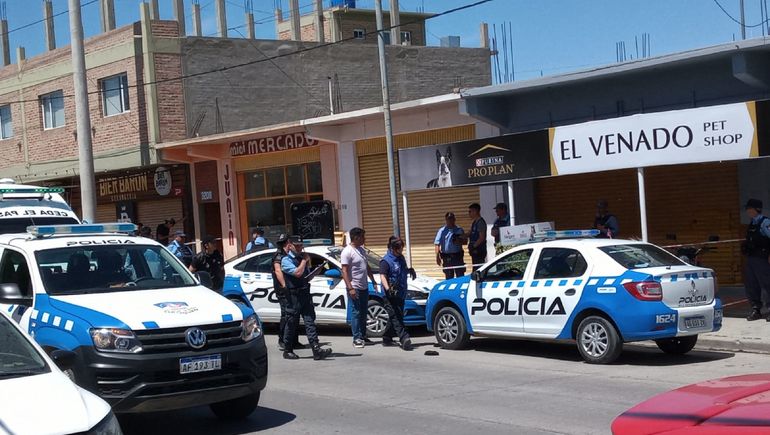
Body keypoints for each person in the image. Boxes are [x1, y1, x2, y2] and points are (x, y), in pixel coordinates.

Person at [280, 236, 332, 360]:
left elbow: (305, 277)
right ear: (290, 245)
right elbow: (297, 273)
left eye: (300, 246)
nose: (299, 248)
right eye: (296, 246)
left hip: (305, 293)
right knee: (291, 322)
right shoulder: (286, 260)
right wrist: (304, 260)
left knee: (310, 321)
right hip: (294, 296)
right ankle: (287, 350)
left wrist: (316, 270)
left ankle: (316, 349)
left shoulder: (301, 258)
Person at [341, 227, 377, 348]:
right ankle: (356, 338)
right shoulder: (347, 251)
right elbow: (344, 271)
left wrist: (373, 280)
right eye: (362, 237)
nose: (364, 239)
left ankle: (362, 335)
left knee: (363, 312)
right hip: (354, 287)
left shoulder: (361, 250)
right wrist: (350, 287)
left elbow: (366, 267)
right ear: (356, 238)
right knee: (356, 312)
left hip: (364, 287)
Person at [380, 236, 416, 350]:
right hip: (389, 295)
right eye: (399, 248)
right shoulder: (385, 261)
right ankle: (404, 338)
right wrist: (387, 288)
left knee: (396, 314)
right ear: (393, 248)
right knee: (396, 316)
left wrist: (410, 270)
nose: (401, 250)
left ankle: (387, 337)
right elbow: (382, 276)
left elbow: (402, 270)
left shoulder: (401, 258)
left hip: (400, 292)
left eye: (402, 248)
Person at [273, 234, 304, 351]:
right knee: (287, 316)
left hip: (291, 289)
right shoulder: (279, 256)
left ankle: (293, 341)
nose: (286, 245)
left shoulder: (290, 255)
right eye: (284, 243)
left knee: (294, 316)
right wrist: (284, 286)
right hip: (283, 290)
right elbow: (278, 271)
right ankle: (283, 340)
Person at [742, 198, 770, 321]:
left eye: (749, 208)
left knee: (767, 284)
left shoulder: (765, 223)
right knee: (751, 285)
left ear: (756, 209)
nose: (748, 211)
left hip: (762, 259)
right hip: (751, 259)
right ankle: (756, 309)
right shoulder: (752, 223)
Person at [434, 212, 466, 279]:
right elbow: (437, 244)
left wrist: (459, 240)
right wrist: (437, 257)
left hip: (458, 257)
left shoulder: (459, 230)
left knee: (460, 276)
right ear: (446, 220)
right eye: (448, 219)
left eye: (452, 219)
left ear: (454, 219)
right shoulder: (442, 231)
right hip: (447, 258)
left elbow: (465, 241)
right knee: (449, 277)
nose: (450, 221)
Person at [467, 203, 487, 271]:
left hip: (479, 251)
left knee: (479, 269)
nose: (469, 213)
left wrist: (473, 246)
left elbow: (482, 237)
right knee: (475, 269)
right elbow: (469, 233)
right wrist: (460, 236)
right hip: (474, 251)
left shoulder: (480, 222)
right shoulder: (474, 222)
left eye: (470, 211)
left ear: (475, 211)